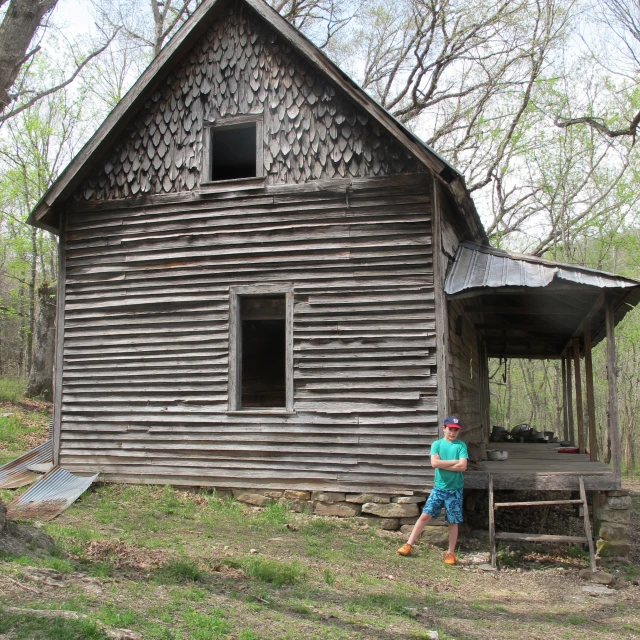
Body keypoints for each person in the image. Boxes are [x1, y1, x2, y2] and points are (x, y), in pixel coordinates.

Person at [397, 416, 468, 565]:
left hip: (455, 489)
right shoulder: (436, 444)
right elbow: (434, 463)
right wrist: (454, 462)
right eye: (450, 429)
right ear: (444, 429)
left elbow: (462, 466)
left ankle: (450, 553)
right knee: (425, 516)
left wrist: (443, 463)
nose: (453, 433)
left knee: (453, 521)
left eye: (456, 430)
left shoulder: (461, 446)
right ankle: (408, 544)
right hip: (439, 488)